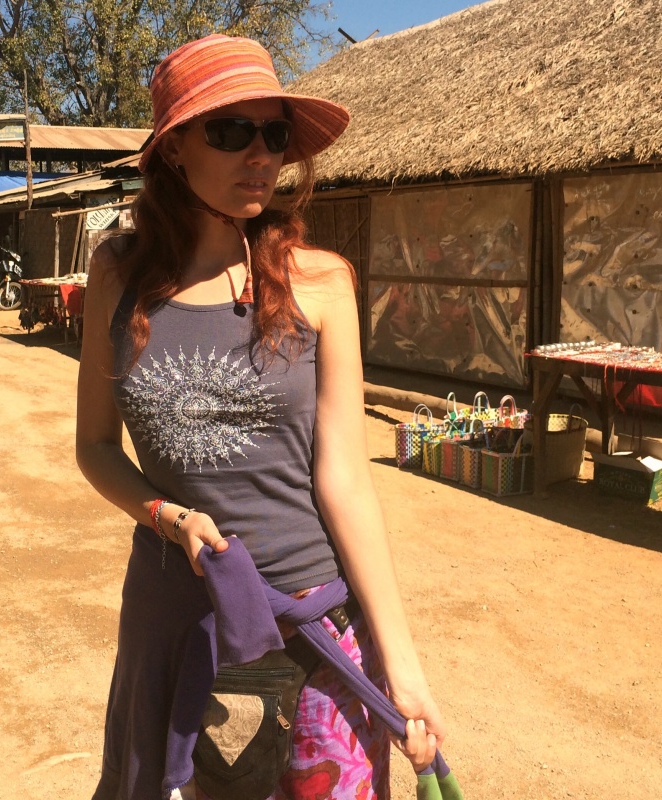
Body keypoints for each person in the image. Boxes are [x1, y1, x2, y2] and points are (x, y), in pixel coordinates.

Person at [76, 34, 445, 800]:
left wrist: (402, 663)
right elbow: (95, 448)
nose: (260, 155)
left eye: (274, 135)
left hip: (308, 625)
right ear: (174, 147)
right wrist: (168, 517)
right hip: (176, 623)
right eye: (231, 130)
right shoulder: (116, 274)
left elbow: (345, 480)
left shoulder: (322, 283)